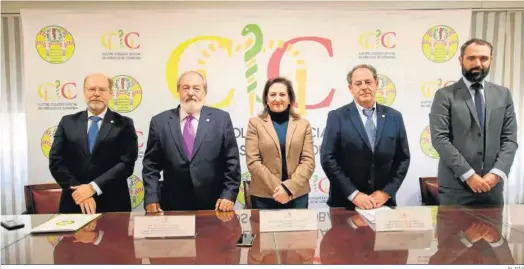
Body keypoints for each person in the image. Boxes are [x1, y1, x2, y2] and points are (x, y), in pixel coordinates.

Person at [429, 38, 518, 206]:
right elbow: (440, 139)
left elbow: (509, 139)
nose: (478, 63)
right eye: (471, 58)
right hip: (456, 189)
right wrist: (469, 175)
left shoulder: (503, 95)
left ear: (491, 60)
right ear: (461, 60)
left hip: (493, 188)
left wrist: (496, 174)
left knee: (492, 233)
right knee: (451, 233)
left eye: (483, 58)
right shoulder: (445, 95)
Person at [142, 70, 241, 212]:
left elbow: (232, 162)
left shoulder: (221, 119)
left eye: (196, 88)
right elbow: (151, 165)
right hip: (173, 205)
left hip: (215, 204)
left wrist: (228, 195)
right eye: (185, 88)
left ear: (204, 93)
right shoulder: (160, 122)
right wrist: (151, 197)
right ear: (178, 91)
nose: (190, 93)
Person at [320, 64, 410, 210]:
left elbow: (403, 158)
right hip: (345, 203)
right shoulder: (337, 117)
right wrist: (353, 194)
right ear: (351, 88)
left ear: (376, 84)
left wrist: (386, 192)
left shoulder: (394, 117)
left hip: (382, 203)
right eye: (358, 83)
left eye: (368, 82)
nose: (364, 87)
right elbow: (328, 158)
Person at [49, 73, 138, 214]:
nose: (96, 94)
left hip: (113, 204)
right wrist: (80, 190)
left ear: (110, 93)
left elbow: (126, 164)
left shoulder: (124, 124)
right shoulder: (67, 122)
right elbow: (56, 161)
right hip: (75, 201)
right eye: (91, 89)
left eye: (102, 90)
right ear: (84, 92)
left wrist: (92, 188)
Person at [245, 77, 315, 209]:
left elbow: (308, 161)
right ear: (266, 98)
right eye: (272, 95)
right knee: (263, 231)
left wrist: (289, 188)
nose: (277, 99)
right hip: (264, 197)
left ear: (290, 99)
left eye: (282, 94)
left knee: (299, 231)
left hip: (297, 195)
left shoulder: (303, 124)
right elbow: (253, 161)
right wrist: (280, 189)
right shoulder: (255, 124)